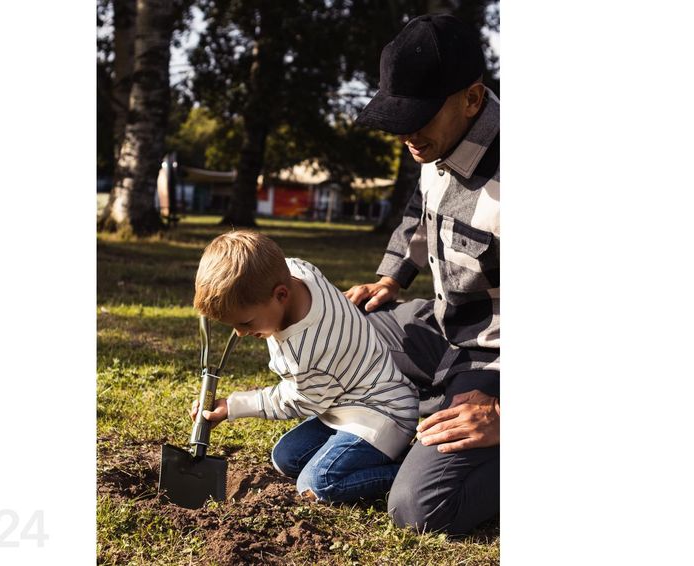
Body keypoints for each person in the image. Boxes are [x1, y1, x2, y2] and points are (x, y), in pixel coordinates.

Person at [346, 13, 500, 535]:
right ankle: (425, 408)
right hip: (444, 328)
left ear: (472, 99)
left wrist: (505, 412)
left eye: (418, 117)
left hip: (497, 358)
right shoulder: (437, 137)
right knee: (341, 330)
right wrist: (391, 278)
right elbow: (421, 208)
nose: (407, 134)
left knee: (418, 508)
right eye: (398, 115)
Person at [190, 230, 419, 503]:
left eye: (246, 322)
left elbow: (296, 401)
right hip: (340, 402)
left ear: (281, 294)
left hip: (382, 414)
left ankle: (408, 471)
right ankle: (375, 456)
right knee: (286, 458)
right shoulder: (295, 269)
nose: (239, 333)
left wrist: (234, 406)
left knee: (317, 484)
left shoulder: (307, 352)